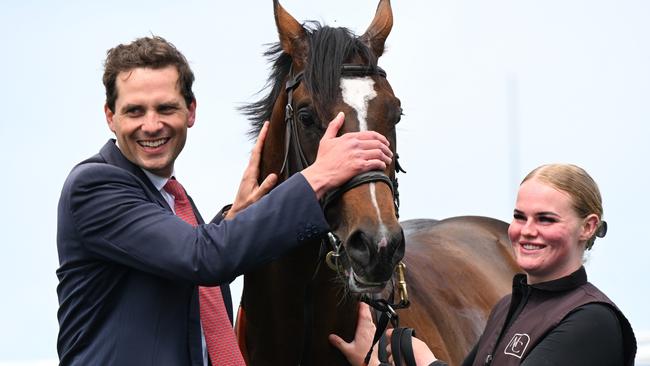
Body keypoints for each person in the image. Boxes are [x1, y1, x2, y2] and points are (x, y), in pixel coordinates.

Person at [56, 35, 393, 365]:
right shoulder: (94, 185)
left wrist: (232, 221)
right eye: (134, 111)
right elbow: (203, 257)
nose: (152, 125)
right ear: (110, 117)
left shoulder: (174, 201)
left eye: (165, 108)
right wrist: (318, 177)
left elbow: (199, 256)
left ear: (190, 112)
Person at [330, 163, 637, 366]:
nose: (526, 230)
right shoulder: (506, 308)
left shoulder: (593, 321)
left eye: (546, 219)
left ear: (587, 227)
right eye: (520, 217)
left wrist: (424, 360)